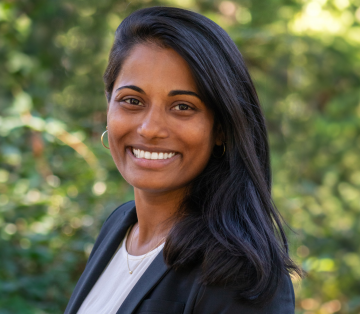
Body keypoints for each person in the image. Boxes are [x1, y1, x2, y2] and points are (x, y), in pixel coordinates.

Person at [65, 6, 301, 314]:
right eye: (132, 101)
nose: (149, 129)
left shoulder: (239, 274)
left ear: (220, 128)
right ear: (109, 105)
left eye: (182, 107)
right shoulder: (119, 226)